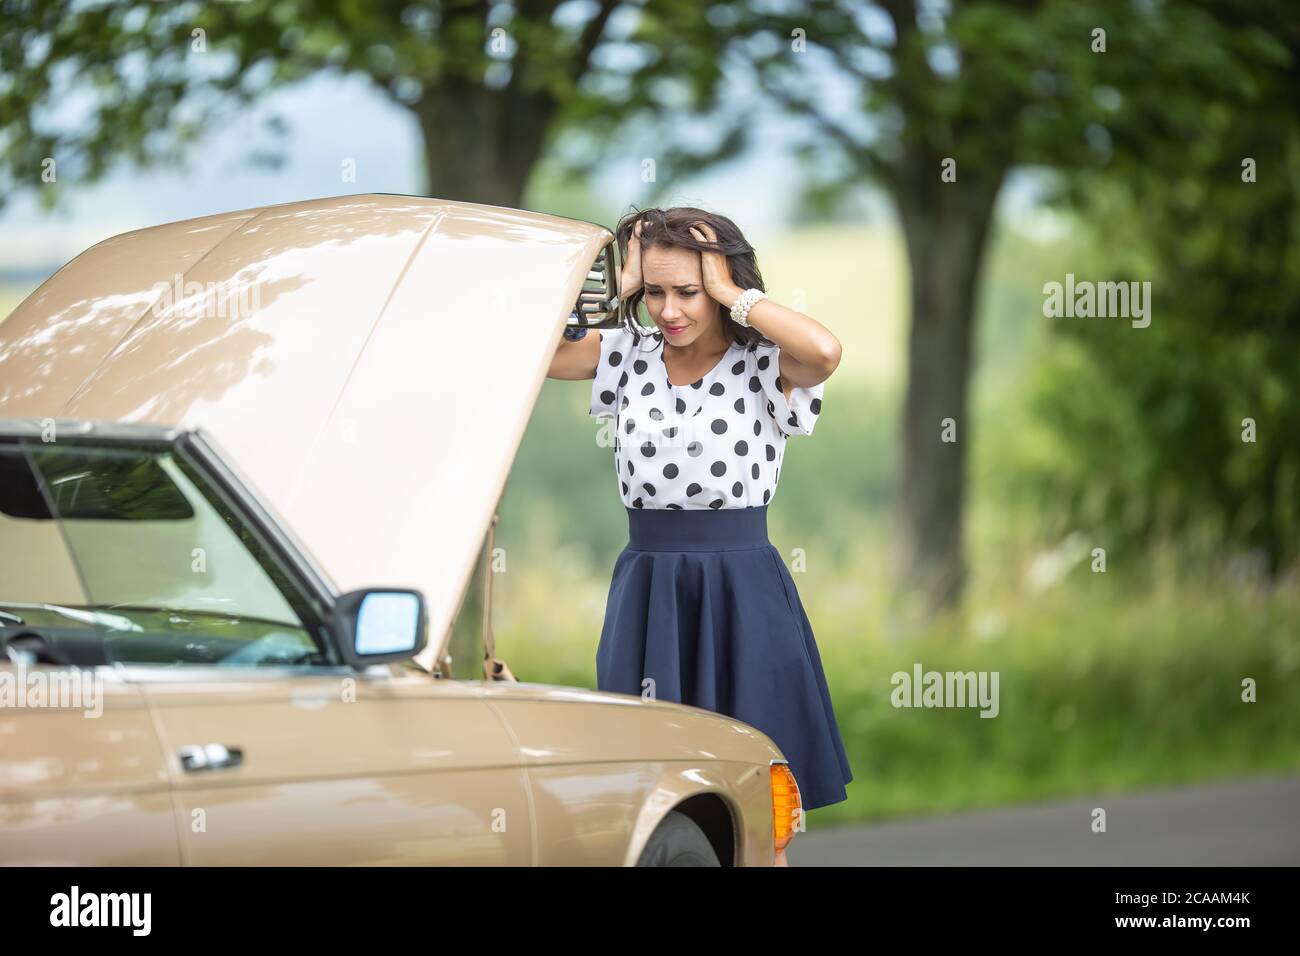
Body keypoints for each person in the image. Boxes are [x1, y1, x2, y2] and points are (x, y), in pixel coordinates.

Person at [547, 207, 853, 865]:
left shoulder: (768, 365)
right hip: (649, 591)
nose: (669, 309)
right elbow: (533, 354)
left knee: (760, 817)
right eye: (655, 292)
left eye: (688, 290)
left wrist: (737, 297)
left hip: (745, 596)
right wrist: (617, 285)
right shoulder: (623, 354)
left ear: (719, 283)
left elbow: (825, 351)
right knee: (644, 801)